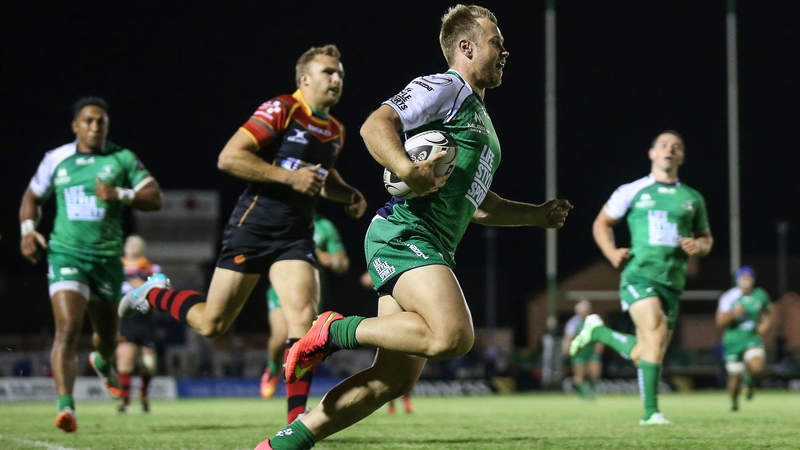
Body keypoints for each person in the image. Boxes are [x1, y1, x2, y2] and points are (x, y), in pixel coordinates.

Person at [257, 5, 573, 449]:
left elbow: (479, 205)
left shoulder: (480, 118)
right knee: (453, 336)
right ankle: (332, 330)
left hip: (430, 245)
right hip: (405, 233)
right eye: (496, 43)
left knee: (391, 379)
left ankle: (283, 444)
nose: (505, 51)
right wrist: (407, 168)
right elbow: (375, 125)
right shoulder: (446, 86)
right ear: (466, 47)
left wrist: (537, 215)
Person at [118, 45, 367, 424]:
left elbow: (322, 174)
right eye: (328, 72)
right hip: (253, 226)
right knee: (211, 323)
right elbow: (230, 156)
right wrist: (288, 178)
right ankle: (153, 293)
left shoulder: (335, 130)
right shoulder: (283, 109)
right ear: (304, 79)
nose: (337, 79)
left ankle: (295, 424)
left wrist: (347, 193)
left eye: (340, 74)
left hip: (295, 234)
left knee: (304, 320)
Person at [19, 97, 162, 433]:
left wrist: (120, 194)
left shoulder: (121, 158)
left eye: (101, 122)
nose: (95, 126)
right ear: (75, 126)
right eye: (88, 121)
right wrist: (27, 230)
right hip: (66, 254)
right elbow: (32, 198)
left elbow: (155, 197)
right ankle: (66, 407)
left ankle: (101, 360)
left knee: (109, 338)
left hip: (107, 260)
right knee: (68, 327)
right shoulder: (56, 159)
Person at [570, 130, 712, 425]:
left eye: (676, 146)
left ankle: (598, 332)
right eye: (663, 145)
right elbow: (602, 223)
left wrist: (699, 246)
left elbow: (706, 238)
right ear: (652, 153)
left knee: (647, 352)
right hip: (640, 276)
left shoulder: (692, 198)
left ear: (682, 156)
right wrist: (611, 253)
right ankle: (651, 414)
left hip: (673, 283)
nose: (669, 150)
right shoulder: (633, 190)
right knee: (655, 338)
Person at [260, 213, 350, 423]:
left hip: (309, 291)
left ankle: (296, 410)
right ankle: (273, 367)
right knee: (280, 336)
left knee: (303, 343)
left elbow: (343, 262)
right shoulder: (282, 216)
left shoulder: (325, 225)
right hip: (281, 286)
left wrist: (332, 261)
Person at [716, 266, 772, 411]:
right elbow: (720, 321)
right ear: (738, 280)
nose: (746, 281)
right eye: (743, 278)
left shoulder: (760, 294)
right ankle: (734, 402)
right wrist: (734, 313)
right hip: (733, 340)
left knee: (757, 367)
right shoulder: (730, 297)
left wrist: (764, 325)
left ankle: (749, 382)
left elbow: (768, 313)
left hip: (751, 337)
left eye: (749, 278)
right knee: (735, 376)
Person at [360, 270, 414, 415]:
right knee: (389, 366)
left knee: (406, 366)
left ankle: (406, 402)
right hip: (383, 320)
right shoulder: (383, 265)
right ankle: (390, 404)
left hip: (405, 320)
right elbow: (365, 280)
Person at [117, 235, 161, 413]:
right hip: (126, 319)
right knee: (125, 359)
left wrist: (143, 286)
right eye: (129, 243)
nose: (132, 246)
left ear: (142, 248)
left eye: (136, 244)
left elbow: (164, 288)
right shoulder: (117, 266)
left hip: (145, 318)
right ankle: (125, 402)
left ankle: (143, 395)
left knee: (148, 363)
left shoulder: (150, 267)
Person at [562, 300, 603, 400]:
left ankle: (592, 393)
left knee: (594, 372)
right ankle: (581, 396)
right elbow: (568, 337)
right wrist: (566, 349)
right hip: (579, 350)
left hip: (590, 349)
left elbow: (600, 334)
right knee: (579, 373)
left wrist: (599, 345)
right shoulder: (573, 322)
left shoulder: (593, 321)